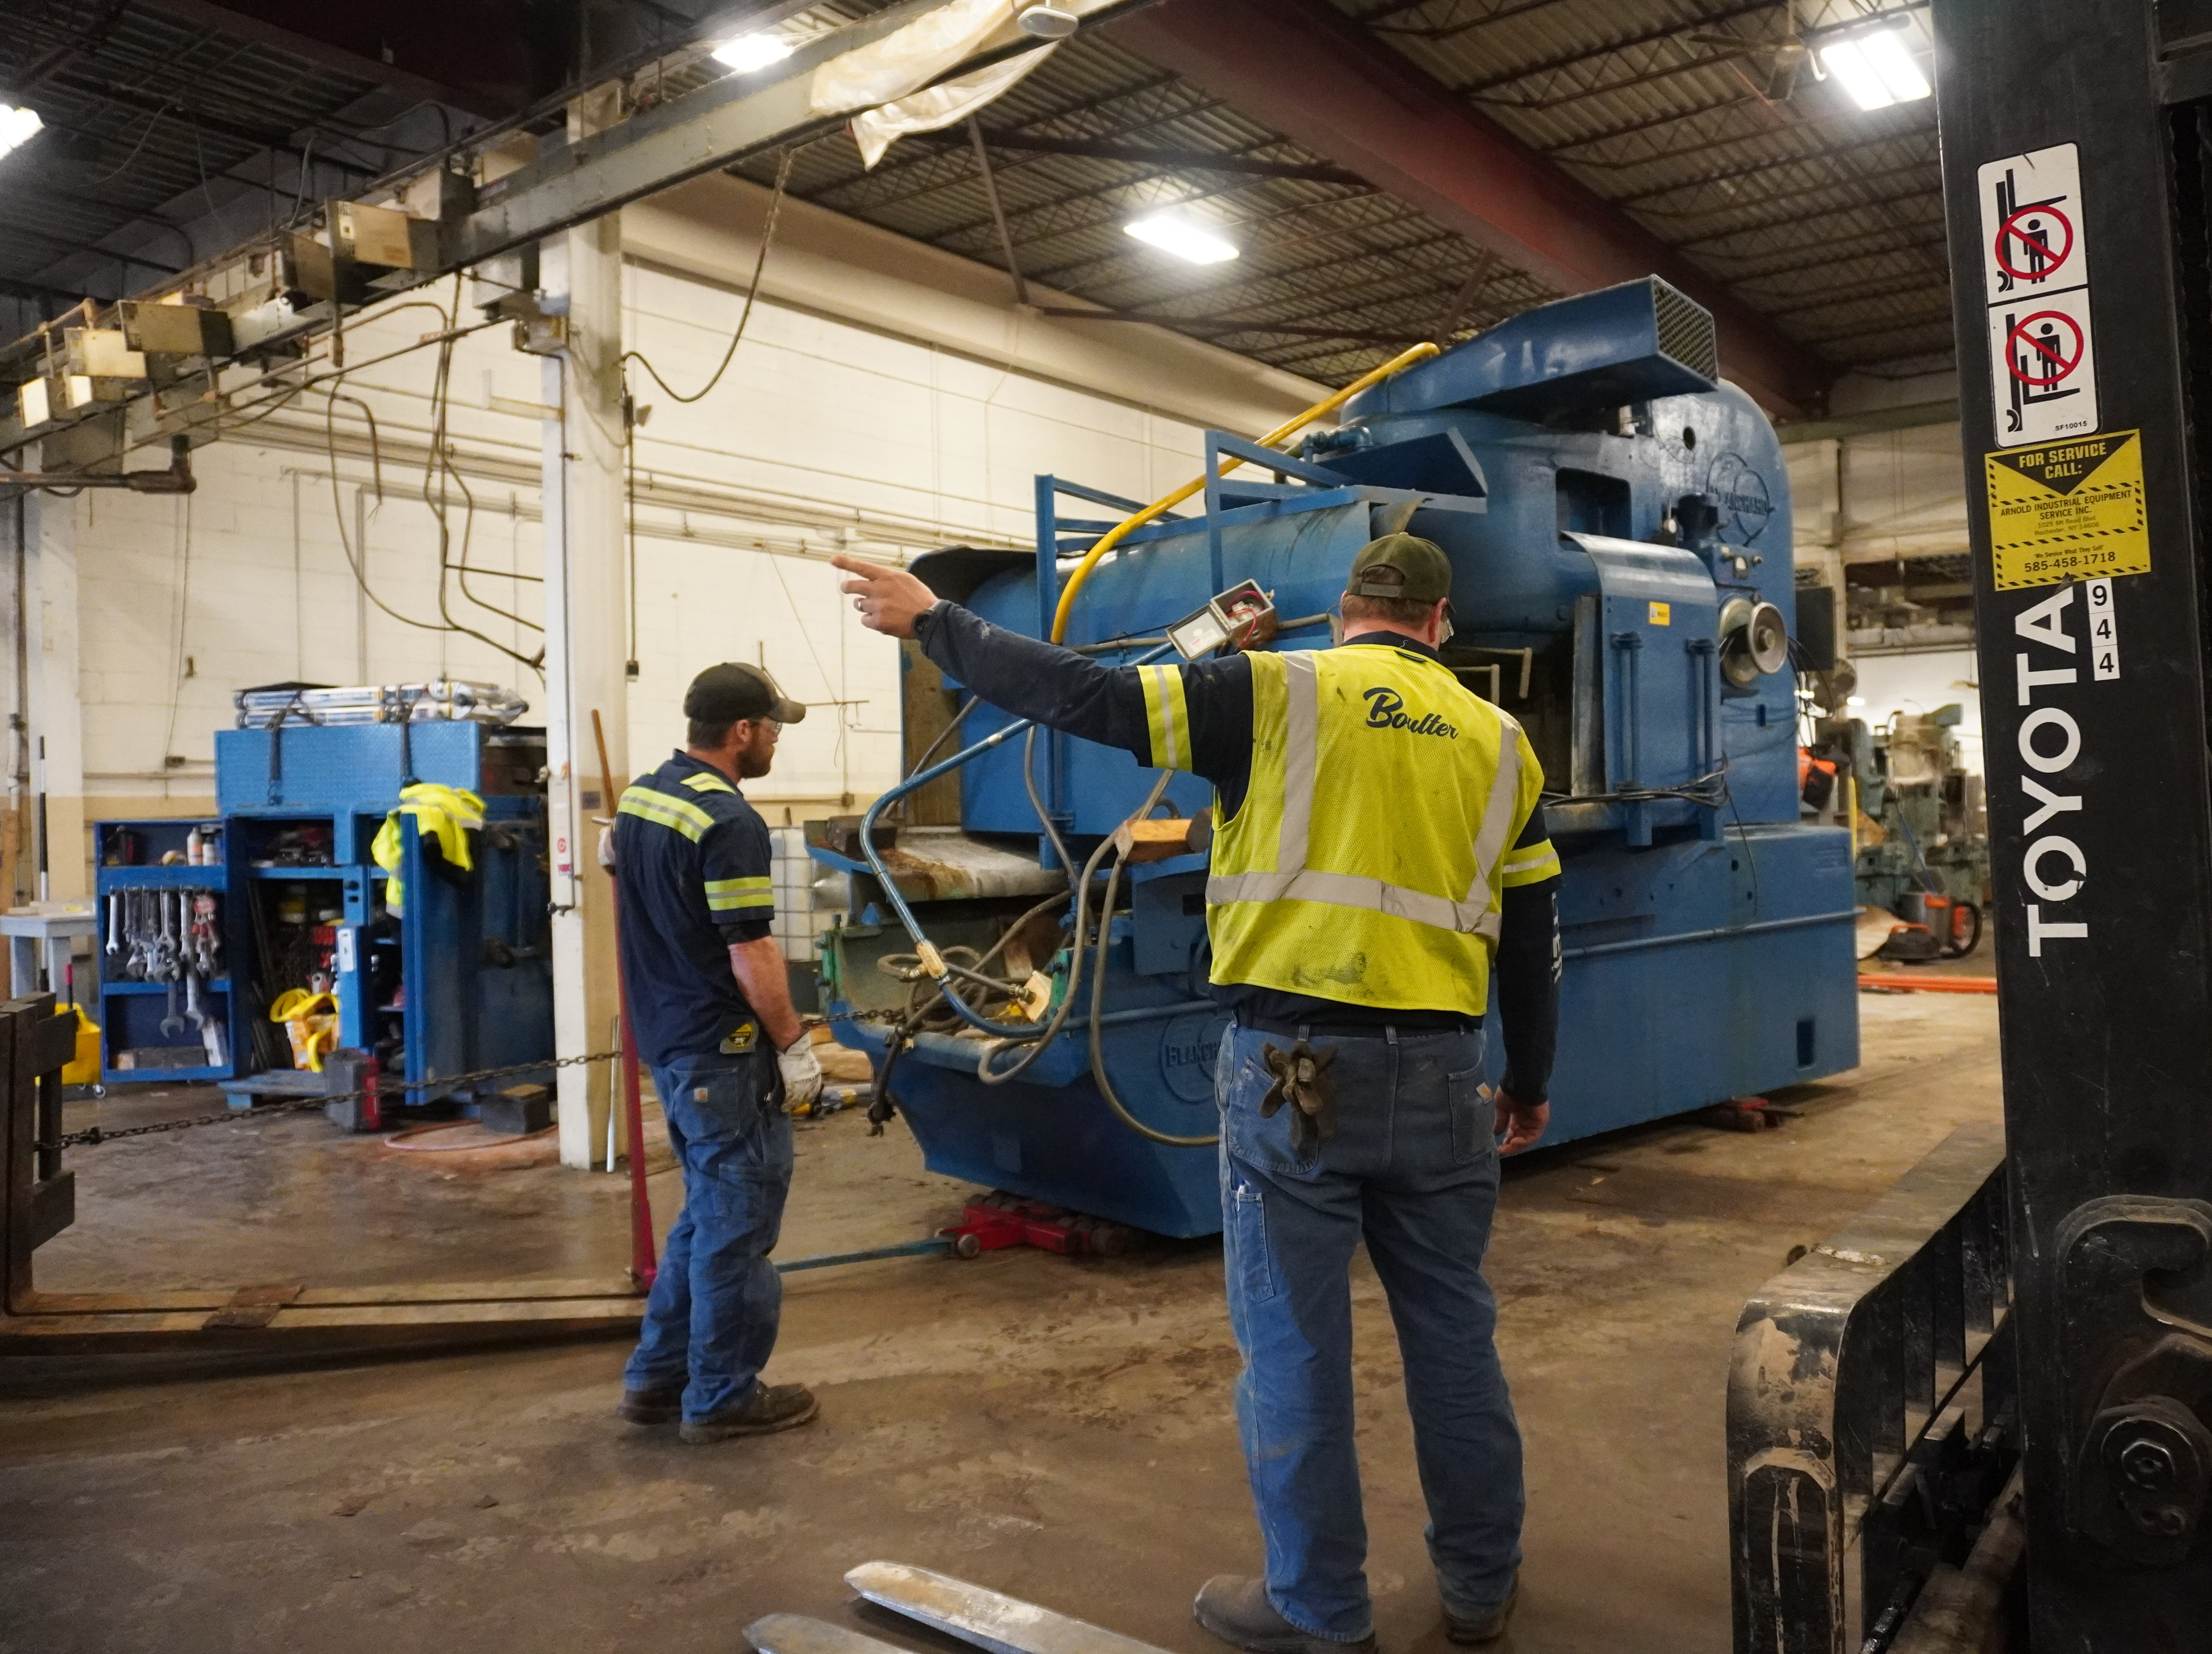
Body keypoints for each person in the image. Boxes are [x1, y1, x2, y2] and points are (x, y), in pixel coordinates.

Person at [833, 534, 1560, 1653]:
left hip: (1293, 1075)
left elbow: (1086, 695)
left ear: (1346, 607)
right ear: (1439, 621)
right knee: (1455, 1340)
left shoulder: (1273, 689)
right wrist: (1532, 1084)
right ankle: (1480, 1589)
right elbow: (1532, 938)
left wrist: (937, 621)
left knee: (1296, 1352)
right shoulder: (1503, 741)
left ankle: (1320, 1609)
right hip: (1446, 1077)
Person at [611, 662, 825, 1445]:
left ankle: (656, 1378)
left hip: (668, 1044)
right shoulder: (730, 822)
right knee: (737, 1230)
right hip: (722, 1052)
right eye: (773, 727)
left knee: (702, 1222)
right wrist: (794, 1045)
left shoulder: (646, 794)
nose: (775, 739)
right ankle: (723, 1397)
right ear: (742, 733)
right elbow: (751, 950)